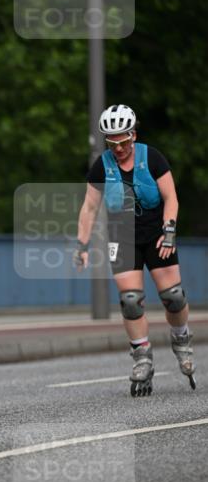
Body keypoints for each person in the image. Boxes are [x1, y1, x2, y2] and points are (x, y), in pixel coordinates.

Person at [74, 103, 195, 396]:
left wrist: (169, 231)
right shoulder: (102, 166)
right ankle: (142, 357)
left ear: (133, 135)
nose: (119, 148)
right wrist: (82, 244)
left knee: (173, 297)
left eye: (124, 141)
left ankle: (181, 339)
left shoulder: (151, 158)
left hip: (156, 232)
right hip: (122, 234)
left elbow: (171, 197)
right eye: (112, 142)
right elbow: (89, 208)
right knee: (130, 300)